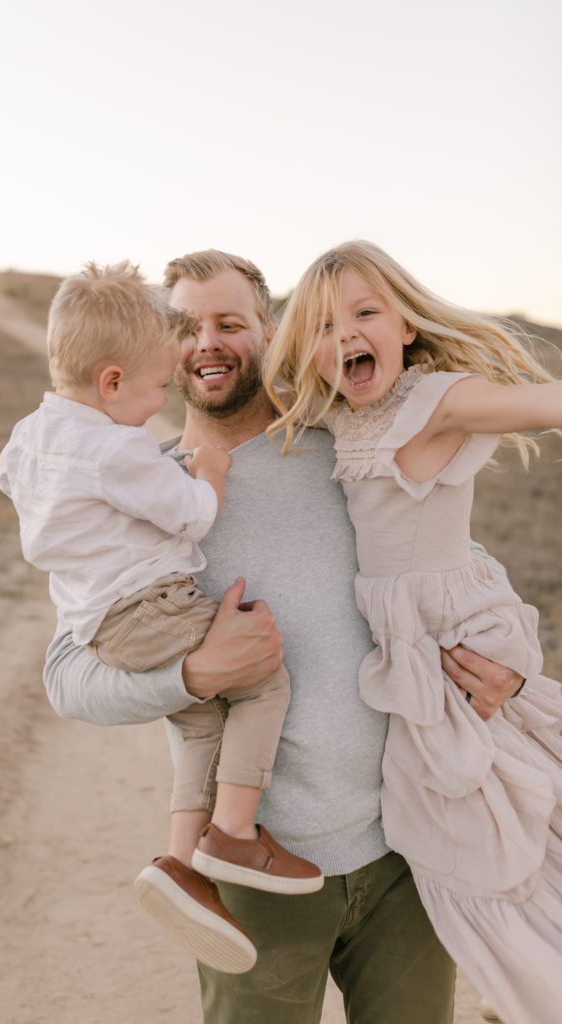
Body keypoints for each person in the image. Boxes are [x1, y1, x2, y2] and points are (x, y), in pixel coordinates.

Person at [42, 248, 523, 1024]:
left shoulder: (348, 446)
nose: (205, 342)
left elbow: (453, 563)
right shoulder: (139, 495)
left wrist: (507, 669)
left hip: (408, 845)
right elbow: (66, 675)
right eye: (183, 327)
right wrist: (192, 676)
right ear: (157, 349)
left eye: (229, 323)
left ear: (269, 331)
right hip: (253, 874)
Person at [264, 239, 562, 1024]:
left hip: (450, 635)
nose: (345, 335)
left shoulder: (437, 400)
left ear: (404, 326)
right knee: (489, 805)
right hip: (403, 642)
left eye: (365, 314)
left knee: (495, 811)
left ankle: (530, 982)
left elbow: (544, 403)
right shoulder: (335, 411)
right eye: (324, 326)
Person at [0, 260, 322, 978]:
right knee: (262, 684)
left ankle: (184, 864)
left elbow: (16, 481)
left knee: (201, 716)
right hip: (147, 606)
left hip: (100, 619)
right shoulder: (125, 454)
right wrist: (204, 471)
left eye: (229, 324)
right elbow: (191, 517)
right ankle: (234, 831)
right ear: (113, 381)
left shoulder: (31, 436)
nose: (159, 403)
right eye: (153, 388)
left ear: (267, 333)